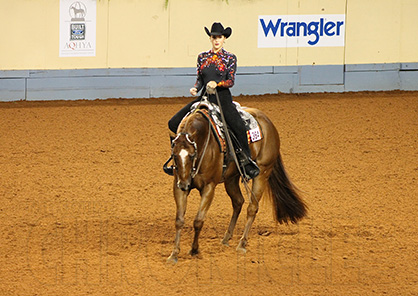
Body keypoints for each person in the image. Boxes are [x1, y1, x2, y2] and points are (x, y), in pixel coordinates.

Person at [164, 22, 259, 179]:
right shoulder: (202, 57)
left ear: (224, 39)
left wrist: (218, 83)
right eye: (214, 37)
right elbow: (200, 79)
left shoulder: (230, 58)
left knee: (238, 125)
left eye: (219, 37)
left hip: (222, 97)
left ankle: (246, 162)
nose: (216, 40)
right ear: (210, 38)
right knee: (173, 123)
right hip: (204, 97)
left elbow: (231, 81)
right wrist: (196, 87)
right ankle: (177, 160)